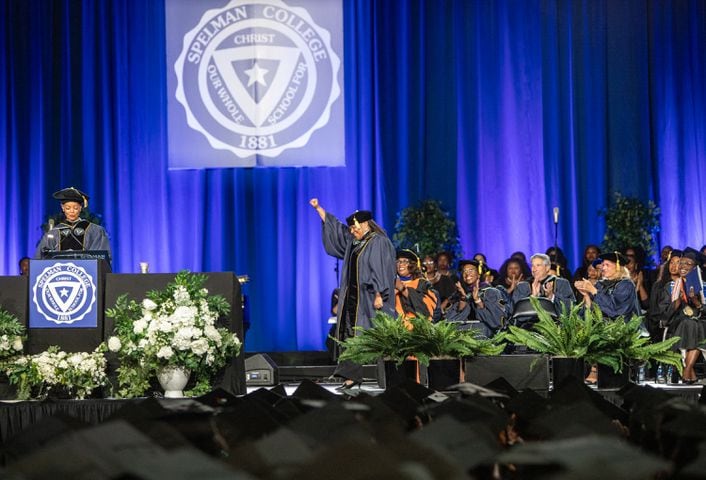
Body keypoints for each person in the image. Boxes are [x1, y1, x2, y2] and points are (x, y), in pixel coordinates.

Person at [310, 198, 396, 390]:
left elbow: (381, 269)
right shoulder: (355, 243)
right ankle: (350, 377)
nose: (351, 231)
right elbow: (338, 231)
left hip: (370, 298)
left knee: (376, 334)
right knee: (350, 334)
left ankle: (390, 375)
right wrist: (319, 209)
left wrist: (380, 294)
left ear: (365, 224)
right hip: (352, 299)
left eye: (354, 227)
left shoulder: (378, 242)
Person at [659, 248, 706, 384]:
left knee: (697, 324)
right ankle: (688, 370)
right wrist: (678, 300)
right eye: (682, 263)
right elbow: (664, 313)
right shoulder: (670, 286)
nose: (683, 266)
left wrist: (697, 302)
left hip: (701, 321)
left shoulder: (703, 287)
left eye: (688, 264)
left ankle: (688, 370)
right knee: (691, 324)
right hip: (676, 322)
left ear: (696, 268)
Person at [34, 187, 111, 259]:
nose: (72, 211)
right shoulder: (54, 232)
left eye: (75, 208)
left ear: (80, 208)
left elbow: (101, 257)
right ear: (62, 208)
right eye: (68, 208)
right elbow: (40, 257)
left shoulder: (95, 231)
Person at [445, 259, 508, 337]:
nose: (467, 273)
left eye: (471, 270)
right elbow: (449, 322)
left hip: (483, 336)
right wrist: (463, 299)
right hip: (461, 336)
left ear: (478, 274)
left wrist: (477, 300)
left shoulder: (491, 292)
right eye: (464, 271)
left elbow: (497, 322)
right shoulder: (459, 294)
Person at [394, 250, 439, 321]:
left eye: (405, 261)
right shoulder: (391, 284)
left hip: (417, 328)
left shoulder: (422, 284)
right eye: (398, 261)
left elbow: (426, 310)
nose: (400, 264)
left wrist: (404, 290)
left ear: (412, 265)